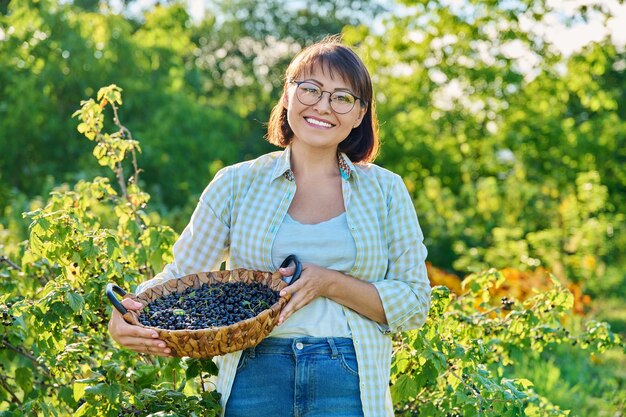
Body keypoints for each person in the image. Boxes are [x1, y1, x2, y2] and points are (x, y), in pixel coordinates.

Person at [108, 35, 431, 417]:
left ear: (360, 114)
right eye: (310, 89)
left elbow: (414, 303)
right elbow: (182, 275)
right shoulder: (235, 183)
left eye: (342, 97)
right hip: (253, 372)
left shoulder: (385, 190)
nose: (323, 106)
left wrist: (327, 282)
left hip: (347, 376)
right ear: (288, 95)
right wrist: (131, 312)